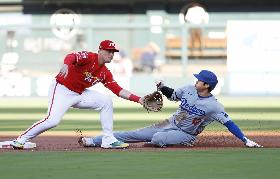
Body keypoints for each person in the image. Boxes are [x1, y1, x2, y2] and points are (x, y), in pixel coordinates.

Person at [11, 40, 144, 149]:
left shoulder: (105, 72)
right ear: (100, 50)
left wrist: (139, 99)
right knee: (52, 121)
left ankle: (108, 139)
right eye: (108, 51)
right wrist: (66, 65)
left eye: (113, 52)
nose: (111, 54)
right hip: (62, 89)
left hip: (79, 94)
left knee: (106, 101)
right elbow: (72, 56)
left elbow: (118, 90)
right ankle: (20, 140)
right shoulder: (89, 57)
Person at [78, 70, 263, 148]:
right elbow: (173, 95)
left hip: (186, 134)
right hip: (169, 123)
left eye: (199, 79)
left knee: (157, 138)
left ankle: (170, 142)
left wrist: (245, 139)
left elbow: (229, 123)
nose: (196, 80)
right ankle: (93, 141)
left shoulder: (213, 106)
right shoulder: (189, 89)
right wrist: (162, 86)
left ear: (206, 85)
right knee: (133, 134)